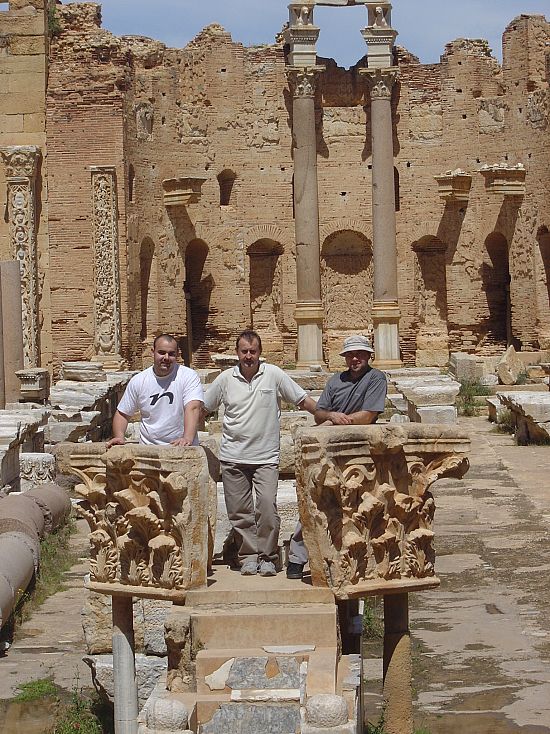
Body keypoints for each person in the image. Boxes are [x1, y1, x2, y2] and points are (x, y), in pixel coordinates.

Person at [203, 330, 317, 577]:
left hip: (265, 456)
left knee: (266, 507)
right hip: (233, 456)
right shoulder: (225, 379)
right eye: (244, 351)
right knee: (239, 512)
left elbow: (301, 399)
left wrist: (326, 415)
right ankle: (248, 556)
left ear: (260, 353)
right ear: (237, 353)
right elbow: (203, 407)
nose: (248, 356)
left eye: (253, 351)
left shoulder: (273, 374)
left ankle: (268, 556)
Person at [287, 334, 387, 580]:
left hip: (360, 453)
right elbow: (319, 414)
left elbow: (369, 415)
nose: (355, 359)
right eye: (351, 355)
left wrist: (340, 420)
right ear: (344, 358)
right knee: (317, 502)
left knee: (361, 507)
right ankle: (297, 557)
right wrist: (332, 416)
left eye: (360, 354)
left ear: (368, 356)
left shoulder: (375, 378)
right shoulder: (335, 381)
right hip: (331, 450)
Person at [106, 334, 204, 448]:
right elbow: (123, 413)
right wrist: (119, 436)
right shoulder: (139, 380)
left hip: (180, 446)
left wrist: (187, 438)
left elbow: (193, 407)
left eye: (171, 354)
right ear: (153, 352)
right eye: (161, 352)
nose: (166, 358)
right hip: (149, 449)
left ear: (177, 355)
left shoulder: (188, 376)